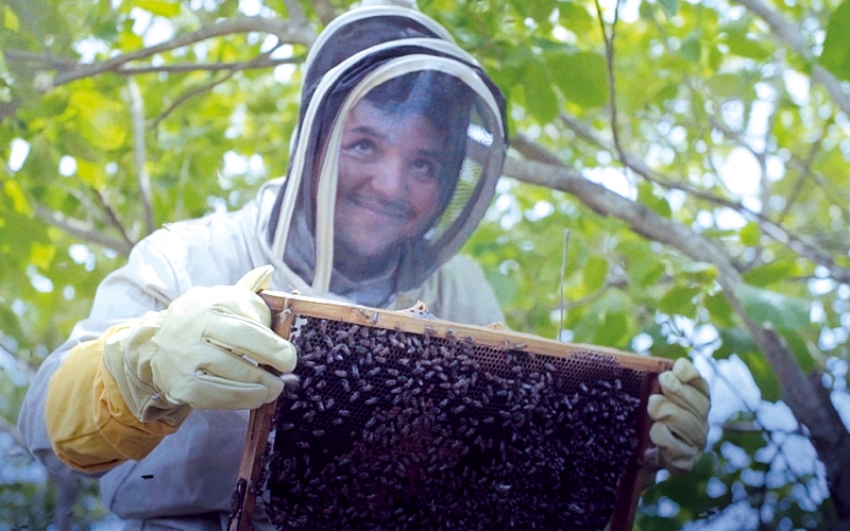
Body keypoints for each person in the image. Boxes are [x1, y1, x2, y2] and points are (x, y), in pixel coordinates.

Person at [17, 2, 710, 530]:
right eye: (364, 146)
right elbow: (40, 430)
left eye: (423, 163)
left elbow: (505, 477)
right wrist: (141, 366)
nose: (390, 185)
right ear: (312, 144)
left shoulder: (457, 289)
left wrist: (620, 446)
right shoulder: (191, 255)